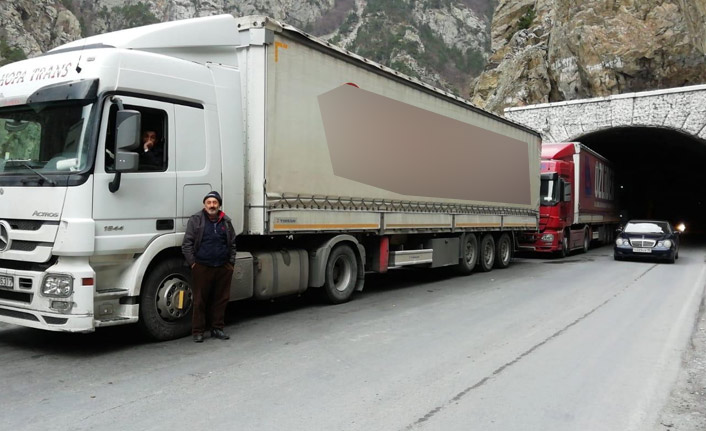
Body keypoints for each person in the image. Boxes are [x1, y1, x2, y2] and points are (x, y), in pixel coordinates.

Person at [182, 191, 237, 343]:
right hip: (202, 266)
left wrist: (230, 263)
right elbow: (187, 244)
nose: (212, 205)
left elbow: (232, 243)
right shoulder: (196, 220)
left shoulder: (226, 221)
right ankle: (198, 331)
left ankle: (217, 329)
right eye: (209, 202)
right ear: (204, 205)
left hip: (222, 266)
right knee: (200, 300)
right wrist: (194, 264)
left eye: (215, 202)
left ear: (219, 205)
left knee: (221, 299)